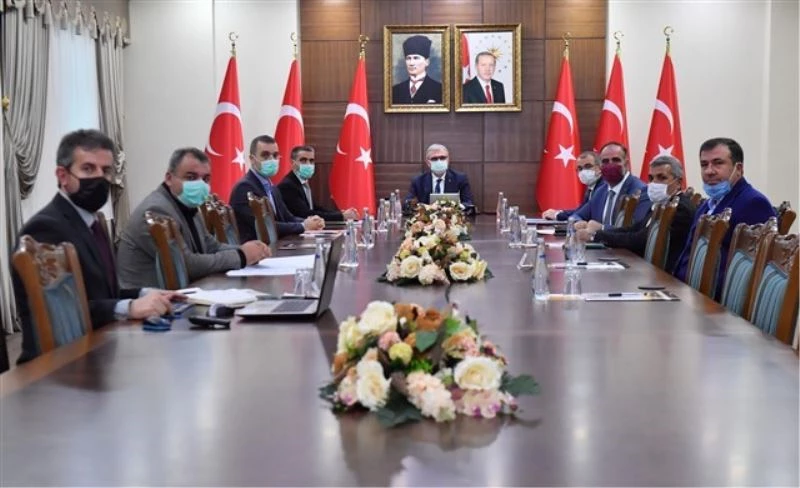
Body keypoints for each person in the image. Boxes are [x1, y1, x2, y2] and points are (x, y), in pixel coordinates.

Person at [12, 129, 183, 364]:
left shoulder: (92, 222)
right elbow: (64, 313)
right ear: (63, 175)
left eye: (106, 170)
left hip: (99, 349)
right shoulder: (44, 228)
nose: (100, 178)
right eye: (88, 169)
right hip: (59, 364)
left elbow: (101, 293)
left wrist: (146, 294)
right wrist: (130, 307)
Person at [117, 147, 271, 288]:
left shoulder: (188, 205)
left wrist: (249, 250)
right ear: (169, 178)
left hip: (184, 291)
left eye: (205, 179)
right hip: (146, 300)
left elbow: (211, 246)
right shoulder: (156, 210)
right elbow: (186, 264)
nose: (200, 184)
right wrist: (241, 256)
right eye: (191, 177)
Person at [673, 137, 776, 298]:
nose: (709, 171)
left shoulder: (753, 203)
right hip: (686, 292)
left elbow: (752, 272)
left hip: (714, 302)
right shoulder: (707, 205)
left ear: (738, 169)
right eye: (704, 165)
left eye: (718, 163)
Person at [576, 155, 697, 273]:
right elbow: (635, 228)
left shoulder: (680, 208)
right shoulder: (663, 203)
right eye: (651, 178)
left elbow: (641, 240)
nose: (654, 183)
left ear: (678, 182)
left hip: (664, 276)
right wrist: (598, 232)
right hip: (647, 268)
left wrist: (596, 236)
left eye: (662, 178)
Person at [230, 135, 325, 242]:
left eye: (275, 155)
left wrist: (312, 221)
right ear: (252, 159)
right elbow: (265, 226)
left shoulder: (272, 187)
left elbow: (288, 217)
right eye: (265, 155)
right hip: (255, 248)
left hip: (276, 244)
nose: (272, 160)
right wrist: (303, 226)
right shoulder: (244, 188)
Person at [570, 141, 651, 230]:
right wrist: (578, 222)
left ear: (626, 164)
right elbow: (577, 215)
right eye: (605, 161)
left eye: (616, 160)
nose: (610, 165)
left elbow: (635, 230)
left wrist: (602, 228)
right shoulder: (600, 191)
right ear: (600, 166)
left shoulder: (641, 191)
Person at [277, 145, 358, 222]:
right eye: (303, 160)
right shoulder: (288, 186)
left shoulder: (303, 182)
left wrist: (340, 213)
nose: (308, 164)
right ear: (292, 163)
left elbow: (315, 208)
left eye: (311, 161)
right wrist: (341, 216)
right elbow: (305, 214)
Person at [404, 144, 474, 208]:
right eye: (434, 159)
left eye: (442, 158)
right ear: (428, 162)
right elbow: (407, 204)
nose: (439, 161)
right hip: (427, 217)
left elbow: (469, 203)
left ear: (448, 159)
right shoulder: (418, 181)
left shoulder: (460, 178)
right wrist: (423, 207)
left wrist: (456, 207)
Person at [542, 151, 604, 221]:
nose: (583, 171)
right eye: (580, 168)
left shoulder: (603, 187)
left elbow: (582, 214)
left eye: (588, 166)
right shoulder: (591, 187)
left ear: (599, 168)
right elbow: (581, 210)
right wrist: (559, 212)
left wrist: (557, 215)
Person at [391, 35, 442, 105]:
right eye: (408, 58)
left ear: (427, 62)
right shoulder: (396, 90)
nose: (411, 63)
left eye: (416, 58)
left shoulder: (438, 89)